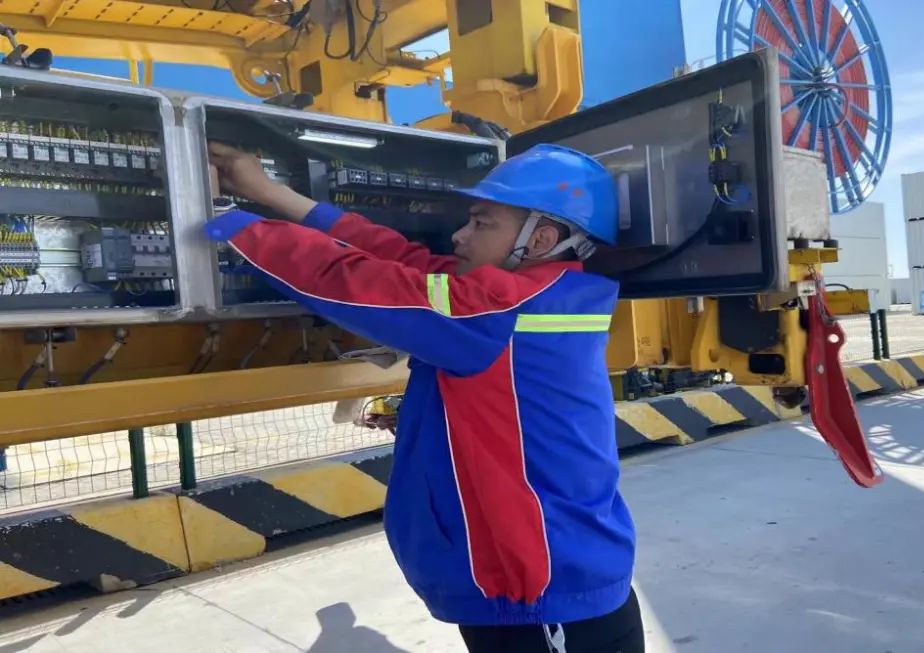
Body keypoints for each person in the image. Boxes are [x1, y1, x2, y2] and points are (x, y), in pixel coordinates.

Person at [204, 141, 643, 653]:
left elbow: (354, 280)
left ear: (540, 239)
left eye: (481, 223)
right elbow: (400, 257)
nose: (459, 235)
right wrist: (266, 191)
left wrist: (221, 218)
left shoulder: (497, 312)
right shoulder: (554, 294)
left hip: (538, 592)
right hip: (559, 568)